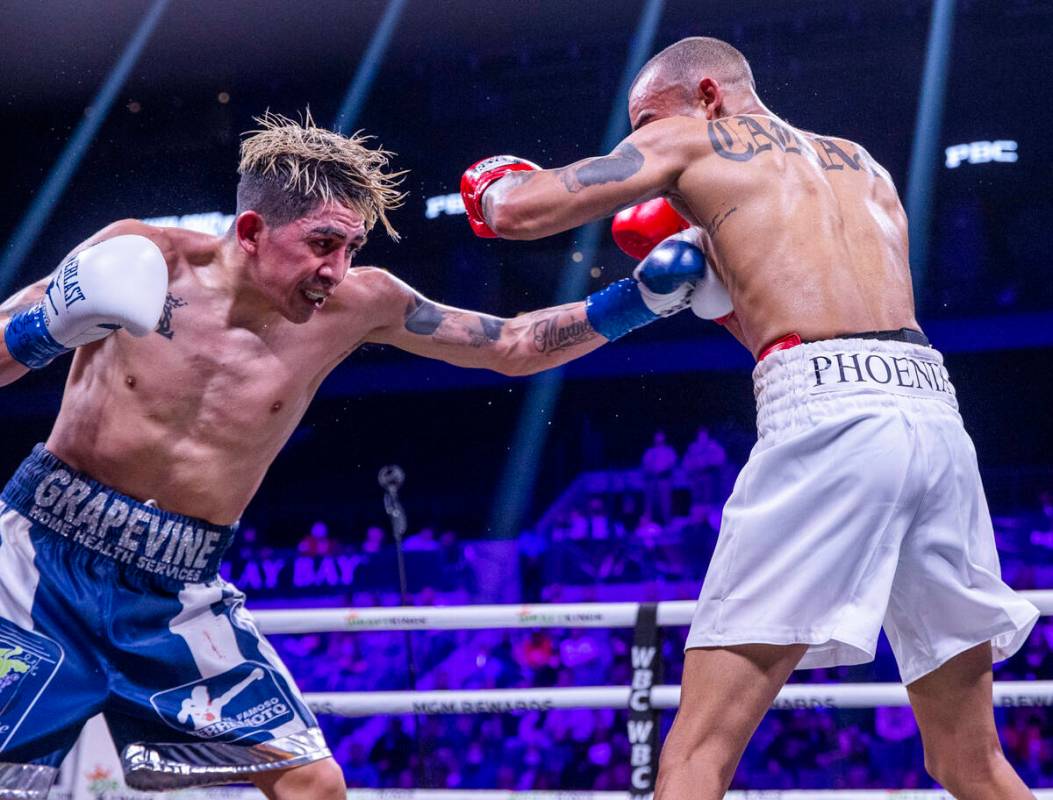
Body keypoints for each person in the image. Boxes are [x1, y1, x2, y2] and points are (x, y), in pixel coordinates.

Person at [0, 112, 706, 798]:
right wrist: (45, 326)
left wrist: (638, 299)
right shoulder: (141, 255)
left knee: (312, 784)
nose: (337, 269)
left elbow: (512, 345)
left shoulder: (362, 304)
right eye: (322, 244)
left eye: (351, 247)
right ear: (251, 230)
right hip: (37, 556)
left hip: (175, 592)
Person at [459, 37, 1040, 799]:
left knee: (696, 755)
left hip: (827, 419)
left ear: (706, 93)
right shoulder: (861, 164)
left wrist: (493, 181)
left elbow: (518, 213)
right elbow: (803, 313)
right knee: (968, 763)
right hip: (930, 414)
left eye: (645, 120)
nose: (638, 140)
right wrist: (715, 287)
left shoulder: (693, 137)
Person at [641, 429, 678, 523]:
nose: (659, 438)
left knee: (666, 503)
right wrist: (652, 471)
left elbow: (672, 464)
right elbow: (645, 465)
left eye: (660, 436)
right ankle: (649, 524)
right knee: (649, 504)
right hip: (652, 480)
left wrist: (662, 470)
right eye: (657, 436)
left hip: (664, 479)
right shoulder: (649, 452)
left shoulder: (669, 451)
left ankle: (667, 523)